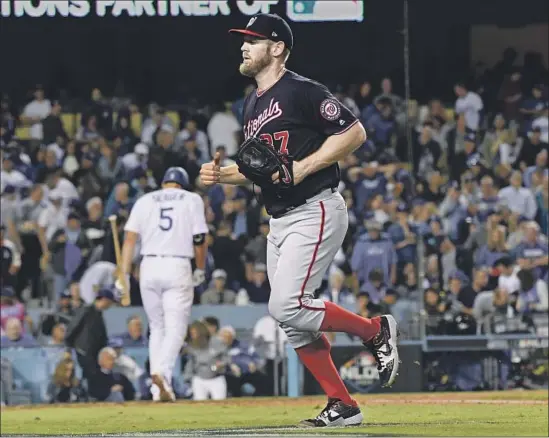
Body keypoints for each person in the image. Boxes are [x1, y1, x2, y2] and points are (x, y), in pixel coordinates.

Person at [200, 13, 399, 427]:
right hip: (280, 219)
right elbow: (261, 169)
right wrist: (221, 175)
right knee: (291, 321)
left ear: (276, 48)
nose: (243, 46)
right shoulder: (252, 102)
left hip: (315, 207)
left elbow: (354, 133)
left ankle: (373, 330)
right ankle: (343, 404)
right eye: (244, 40)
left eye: (252, 40)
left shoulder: (301, 90)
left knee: (286, 304)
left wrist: (305, 167)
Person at [120, 167, 208, 402]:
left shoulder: (144, 200)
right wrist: (199, 269)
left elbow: (129, 240)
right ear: (183, 183)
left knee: (156, 327)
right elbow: (199, 238)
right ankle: (161, 372)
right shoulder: (191, 199)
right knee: (176, 328)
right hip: (177, 264)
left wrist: (123, 274)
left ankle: (157, 390)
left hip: (148, 266)